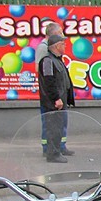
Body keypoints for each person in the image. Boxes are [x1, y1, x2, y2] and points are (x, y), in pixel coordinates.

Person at [35, 21, 73, 156]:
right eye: (62, 42)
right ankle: (50, 150)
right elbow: (47, 77)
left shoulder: (57, 57)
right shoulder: (45, 54)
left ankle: (59, 147)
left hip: (60, 96)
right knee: (51, 125)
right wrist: (56, 97)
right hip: (52, 99)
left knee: (60, 123)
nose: (65, 45)